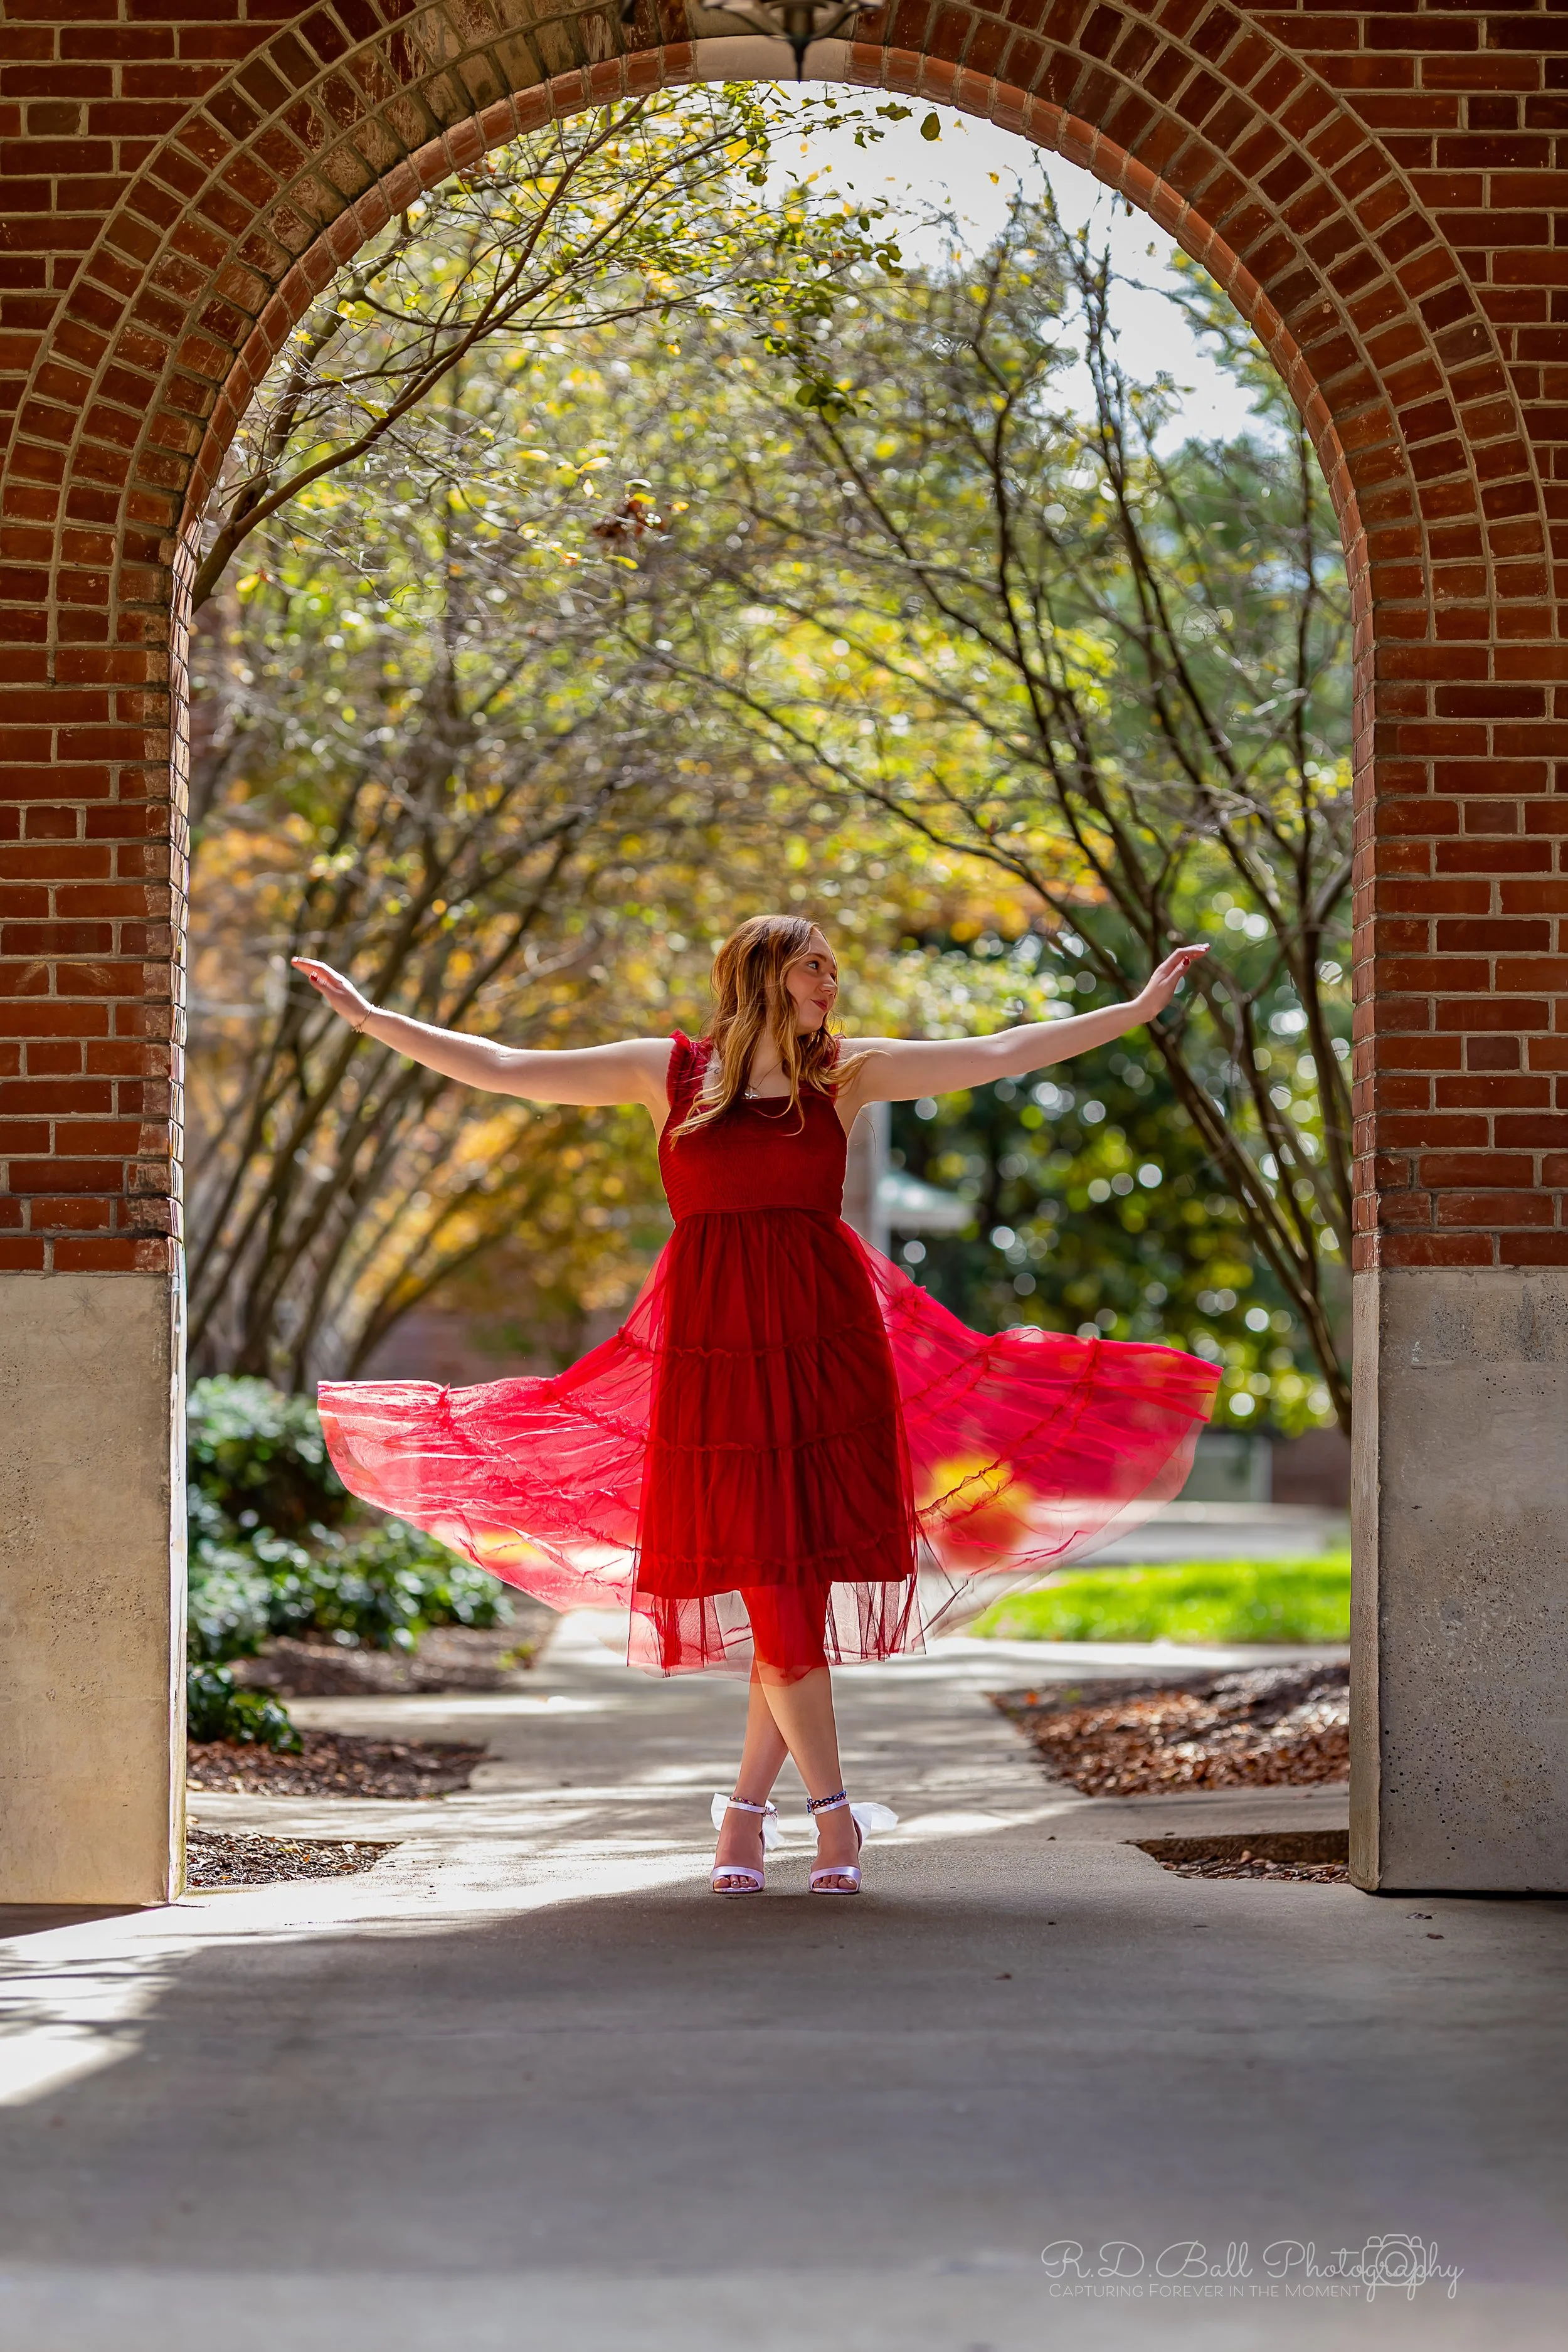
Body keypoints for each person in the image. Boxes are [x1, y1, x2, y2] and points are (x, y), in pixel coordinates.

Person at [294, 915, 1217, 1897]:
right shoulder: (668, 1071)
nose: (832, 983)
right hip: (714, 1364)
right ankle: (808, 1816)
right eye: (817, 965)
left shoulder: (844, 1074)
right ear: (767, 972)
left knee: (792, 1597)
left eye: (833, 966)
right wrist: (371, 1017)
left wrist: (1133, 1010)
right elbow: (504, 1063)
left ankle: (770, 1821)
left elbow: (995, 1052)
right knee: (777, 1596)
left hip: (827, 1356)